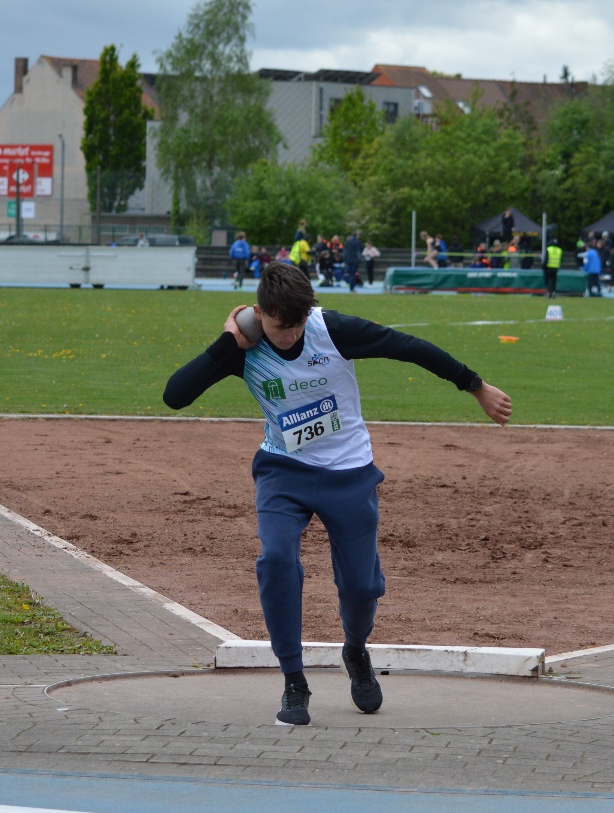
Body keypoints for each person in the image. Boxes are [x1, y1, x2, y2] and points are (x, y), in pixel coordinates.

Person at [162, 262, 512, 725]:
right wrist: (227, 342)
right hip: (284, 472)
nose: (289, 336)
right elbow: (175, 395)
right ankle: (294, 680)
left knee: (362, 587)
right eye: (279, 327)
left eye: (298, 325)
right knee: (276, 560)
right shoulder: (244, 346)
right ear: (259, 314)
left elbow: (407, 348)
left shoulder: (332, 330)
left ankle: (355, 650)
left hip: (349, 473)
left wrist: (476, 386)